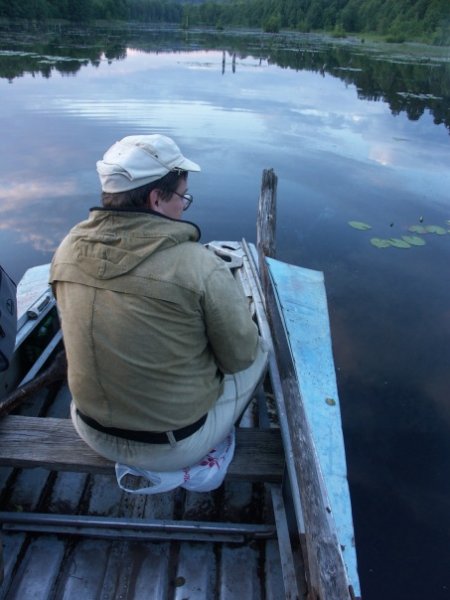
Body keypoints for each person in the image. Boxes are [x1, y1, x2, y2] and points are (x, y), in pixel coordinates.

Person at [50, 134, 268, 472]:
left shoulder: (66, 250)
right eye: (183, 196)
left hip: (89, 430)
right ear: (155, 199)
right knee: (260, 350)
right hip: (172, 448)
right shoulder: (199, 265)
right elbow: (239, 358)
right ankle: (214, 445)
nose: (184, 205)